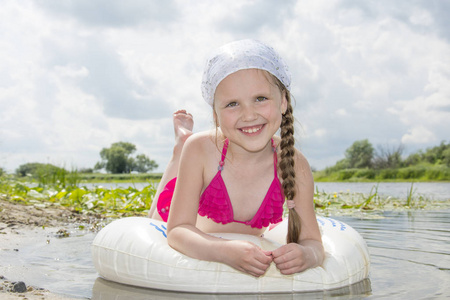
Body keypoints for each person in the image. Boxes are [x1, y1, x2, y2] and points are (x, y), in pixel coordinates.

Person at [148, 39, 324, 277]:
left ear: (283, 101)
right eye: (232, 104)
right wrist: (224, 250)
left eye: (261, 98)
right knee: (156, 216)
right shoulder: (201, 148)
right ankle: (179, 147)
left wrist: (307, 255)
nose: (249, 114)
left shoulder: (294, 163)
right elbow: (178, 230)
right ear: (216, 114)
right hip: (182, 206)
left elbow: (313, 242)